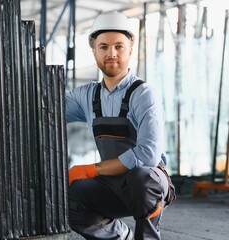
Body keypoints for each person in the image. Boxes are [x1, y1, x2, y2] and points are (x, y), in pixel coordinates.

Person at [65, 11, 175, 240]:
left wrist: (90, 170)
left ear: (130, 50)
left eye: (119, 46)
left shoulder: (144, 94)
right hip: (112, 185)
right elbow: (48, 110)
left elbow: (147, 155)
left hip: (150, 183)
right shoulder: (86, 95)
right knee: (68, 196)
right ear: (94, 51)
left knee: (140, 179)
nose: (111, 53)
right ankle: (118, 237)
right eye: (103, 47)